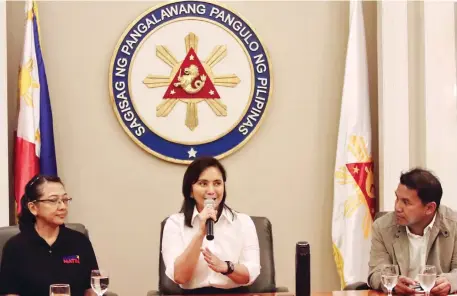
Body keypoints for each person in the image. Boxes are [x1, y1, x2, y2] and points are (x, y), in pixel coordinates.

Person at [161, 156, 261, 293]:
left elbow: (251, 273)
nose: (211, 191)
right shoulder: (174, 224)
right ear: (190, 191)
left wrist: (227, 267)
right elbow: (180, 277)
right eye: (203, 183)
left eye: (217, 183)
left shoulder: (243, 222)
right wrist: (200, 233)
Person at [0, 175, 98, 296]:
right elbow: (10, 293)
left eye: (65, 200)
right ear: (33, 207)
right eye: (53, 200)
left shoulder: (80, 242)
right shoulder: (15, 247)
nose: (62, 207)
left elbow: (92, 289)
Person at [368, 168, 457, 296]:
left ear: (429, 208)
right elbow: (375, 273)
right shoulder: (382, 227)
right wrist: (393, 283)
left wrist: (450, 282)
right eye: (397, 198)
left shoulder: (454, 225)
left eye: (406, 202)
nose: (397, 207)